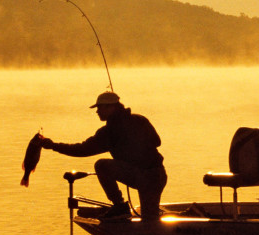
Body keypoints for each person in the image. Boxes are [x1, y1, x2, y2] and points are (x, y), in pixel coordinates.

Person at [41, 91, 167, 222]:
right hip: (159, 175)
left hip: (145, 177)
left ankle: (119, 206)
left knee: (102, 165)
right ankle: (124, 210)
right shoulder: (140, 119)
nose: (97, 112)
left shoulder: (108, 132)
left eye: (99, 108)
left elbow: (82, 150)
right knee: (150, 219)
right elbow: (157, 141)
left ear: (111, 107)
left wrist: (53, 146)